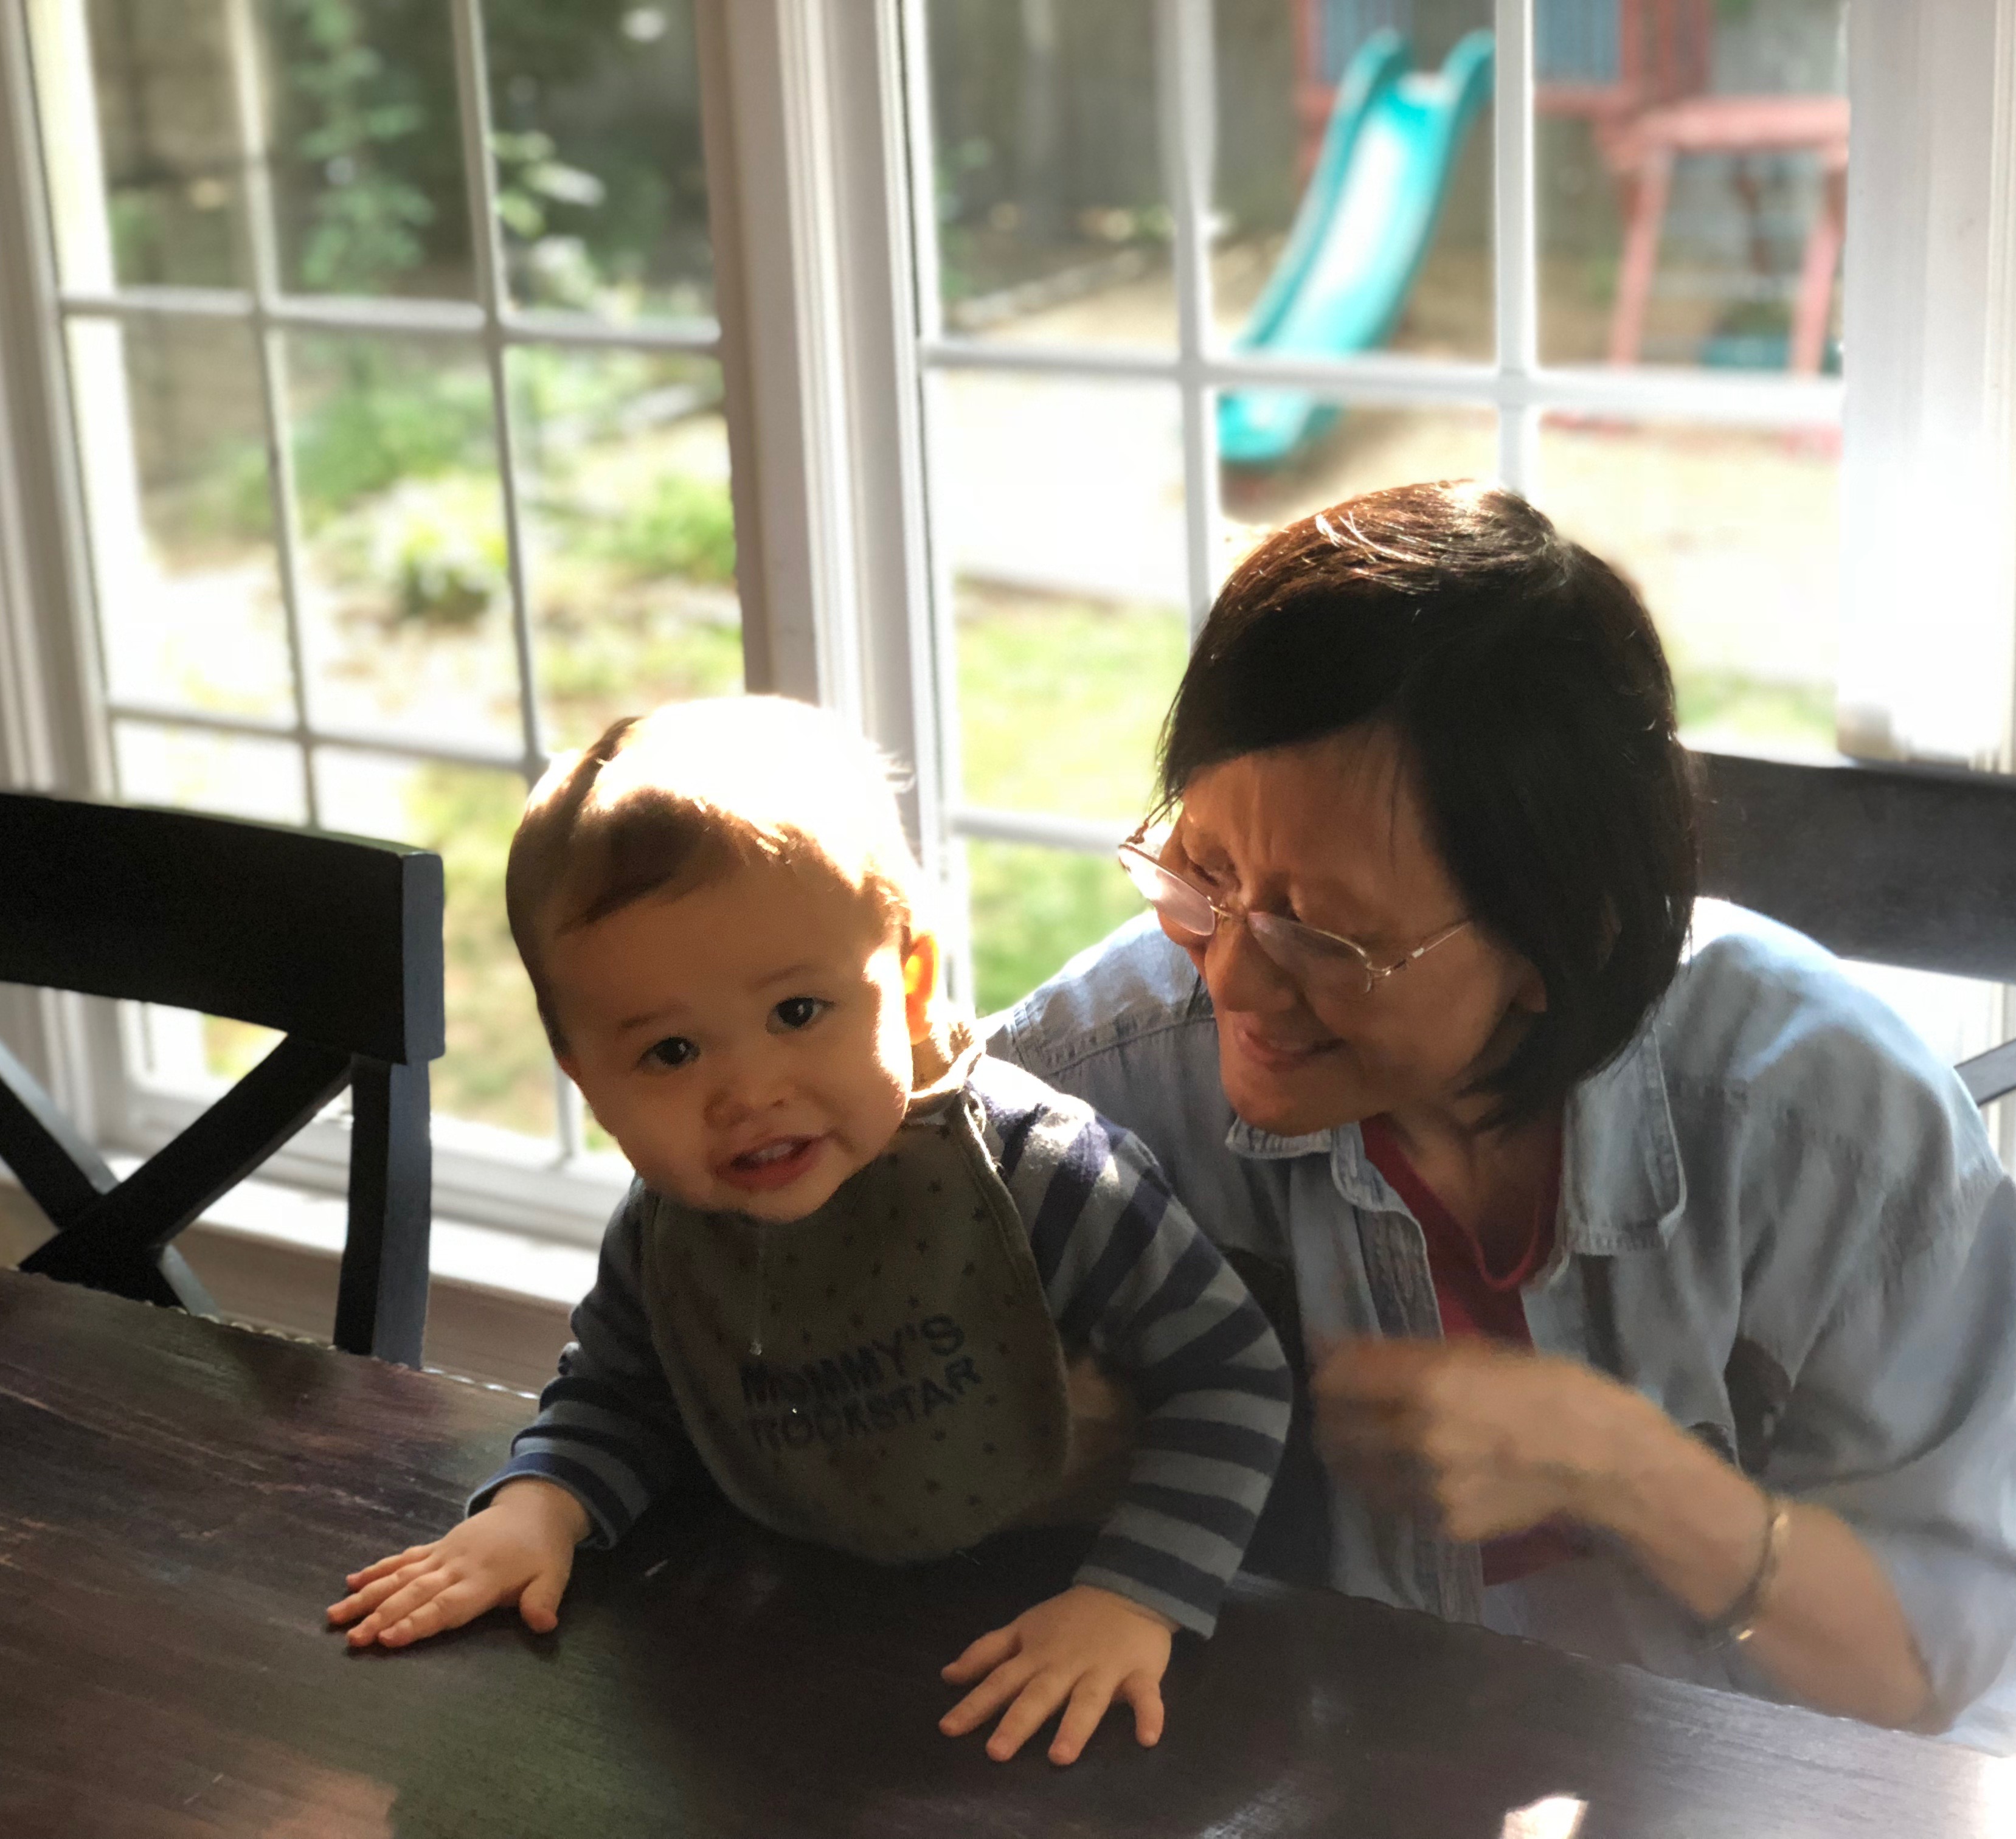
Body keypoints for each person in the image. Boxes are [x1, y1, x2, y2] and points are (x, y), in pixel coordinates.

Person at [988, 482, 2016, 1791]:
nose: (1230, 975)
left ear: (1558, 940)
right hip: (1526, 1716)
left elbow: (1919, 1667)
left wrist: (1619, 1462)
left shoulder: (1833, 1124)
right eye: (1204, 869)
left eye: (1326, 934)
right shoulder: (1112, 1070)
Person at [325, 696, 1292, 1768]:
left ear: (909, 984)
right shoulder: (669, 1231)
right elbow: (623, 1392)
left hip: (1069, 1636)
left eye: (796, 1014)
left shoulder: (1041, 1176)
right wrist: (541, 1503)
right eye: (670, 1053)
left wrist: (1136, 1599)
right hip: (798, 1651)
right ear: (586, 1080)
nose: (748, 1094)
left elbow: (1233, 1376)